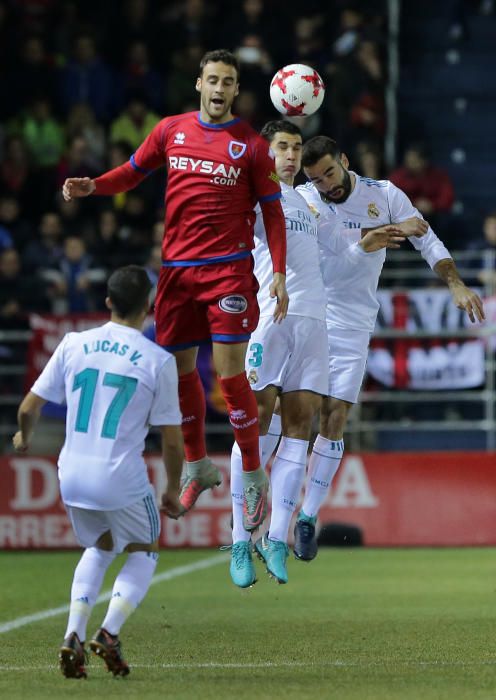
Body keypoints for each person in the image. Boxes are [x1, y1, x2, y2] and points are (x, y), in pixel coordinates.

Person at [62, 49, 288, 533]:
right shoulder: (171, 130)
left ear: (235, 90)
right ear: (199, 84)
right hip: (176, 273)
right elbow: (131, 172)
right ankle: (197, 466)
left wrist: (280, 273)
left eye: (228, 81)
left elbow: (273, 213)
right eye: (213, 80)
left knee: (229, 376)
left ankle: (251, 472)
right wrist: (93, 187)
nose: (220, 88)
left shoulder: (251, 145)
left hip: (228, 272)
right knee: (178, 373)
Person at [287, 135, 485, 561]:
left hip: (353, 322)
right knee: (297, 415)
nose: (325, 185)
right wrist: (370, 239)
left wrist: (455, 282)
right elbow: (325, 269)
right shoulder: (305, 201)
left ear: (344, 160)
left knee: (334, 416)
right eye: (316, 178)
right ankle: (265, 511)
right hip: (309, 312)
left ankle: (306, 518)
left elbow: (427, 239)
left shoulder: (384, 195)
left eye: (329, 174)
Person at [229, 121, 408, 588]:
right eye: (281, 148)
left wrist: (365, 245)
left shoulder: (306, 203)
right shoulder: (250, 198)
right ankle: (239, 541)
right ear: (264, 154)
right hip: (272, 320)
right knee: (256, 430)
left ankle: (277, 539)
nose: (289, 156)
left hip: (314, 326)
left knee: (297, 433)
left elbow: (339, 255)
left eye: (293, 148)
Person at [12, 265, 184, 679]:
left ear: (107, 302)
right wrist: (173, 490)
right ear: (150, 306)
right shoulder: (158, 359)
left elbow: (28, 408)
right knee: (145, 549)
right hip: (119, 474)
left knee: (102, 546)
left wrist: (23, 438)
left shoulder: (73, 344)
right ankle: (108, 632)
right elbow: (173, 441)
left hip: (70, 474)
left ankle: (73, 634)